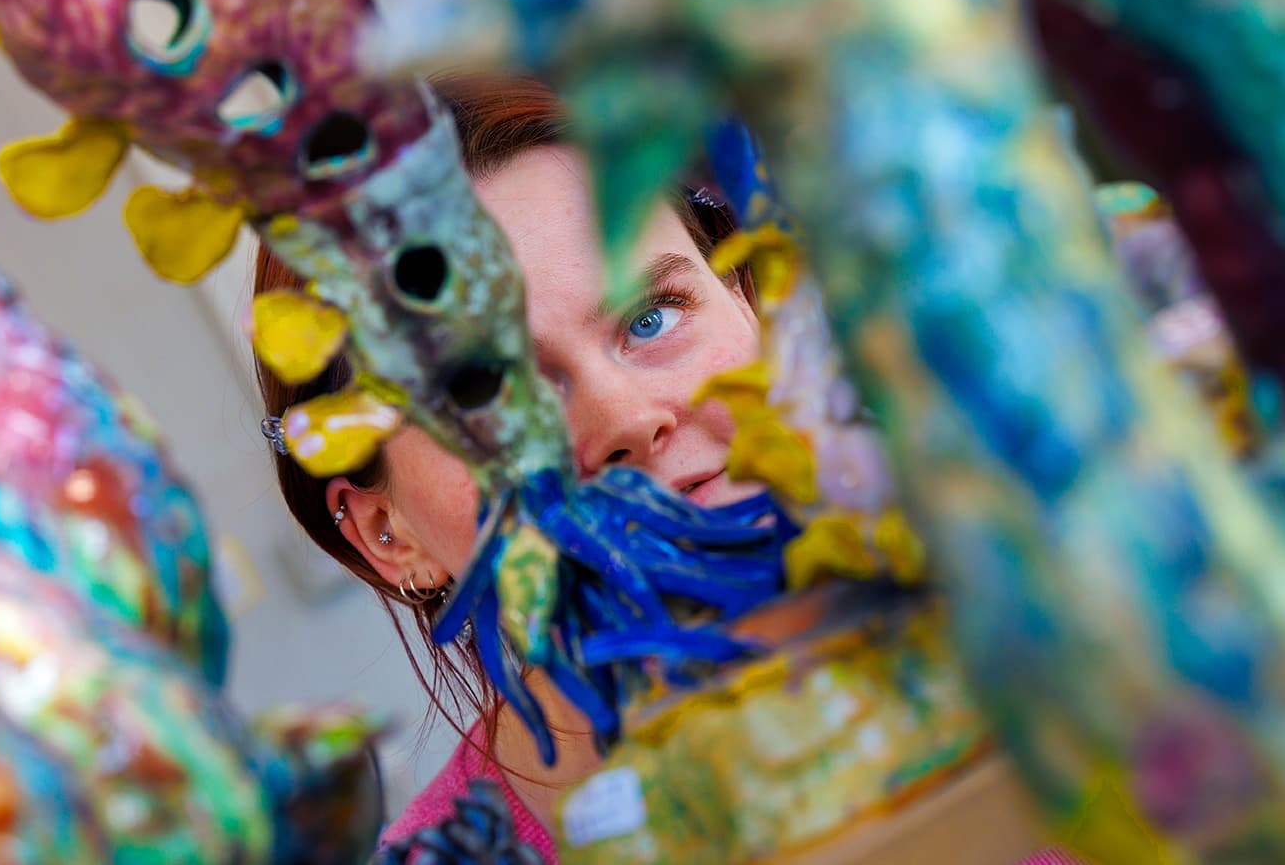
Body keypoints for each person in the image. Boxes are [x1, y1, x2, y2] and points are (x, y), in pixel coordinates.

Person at [255, 75, 1081, 864]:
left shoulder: (1089, 634)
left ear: (754, 307)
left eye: (651, 316)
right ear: (384, 531)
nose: (625, 418)